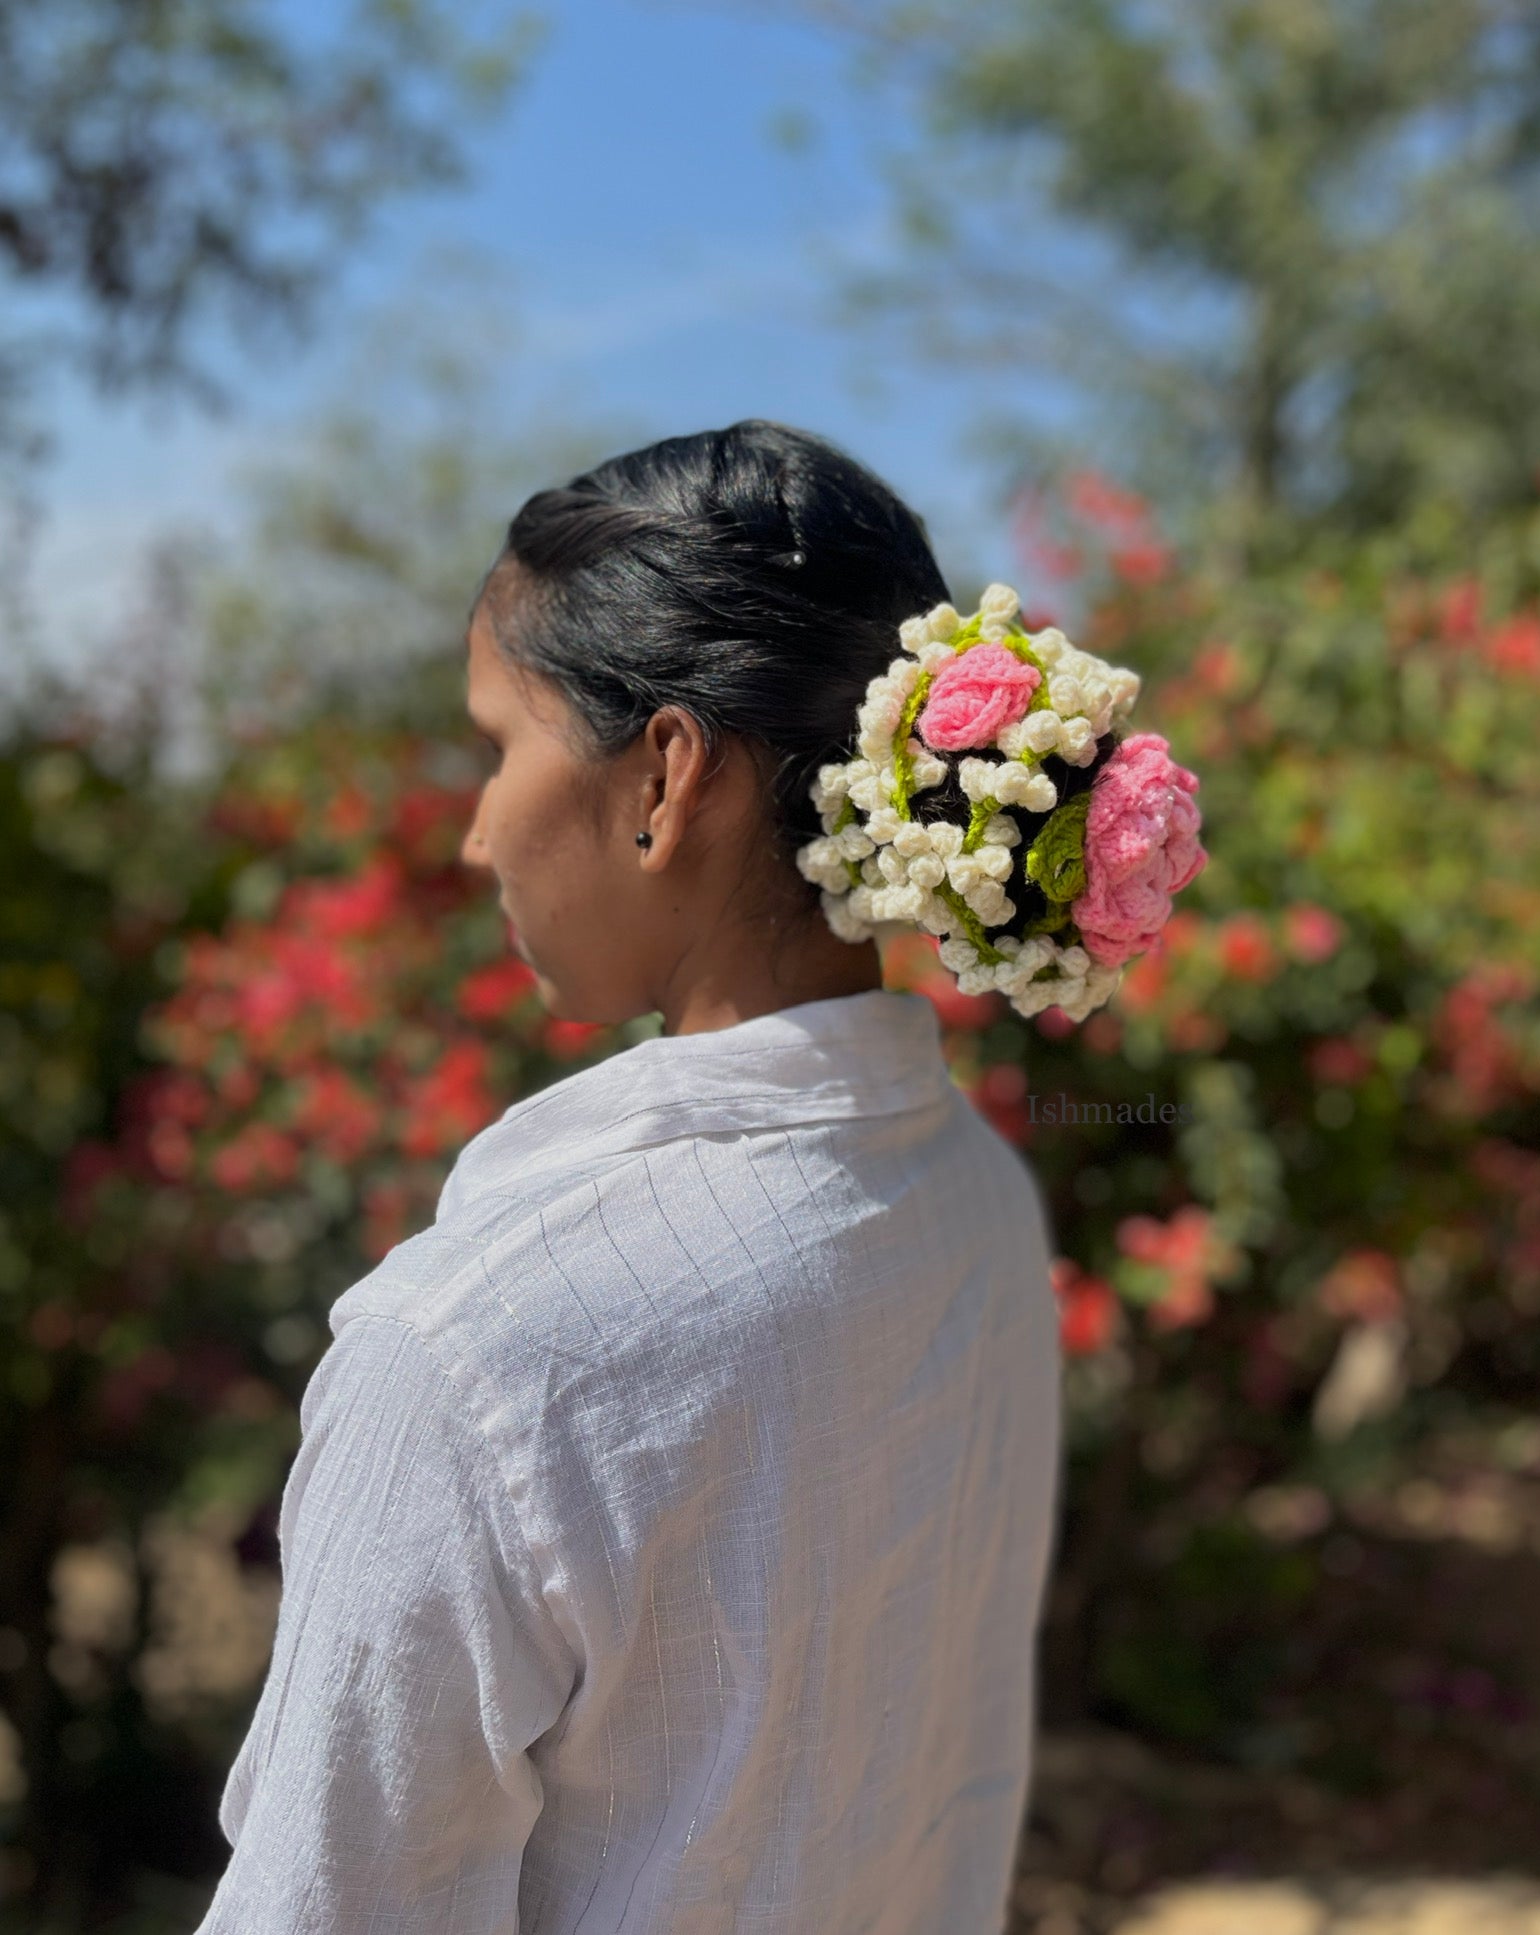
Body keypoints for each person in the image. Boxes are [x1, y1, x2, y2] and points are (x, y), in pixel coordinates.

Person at [194, 421, 1068, 1933]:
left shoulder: (478, 1352)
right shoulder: (974, 1200)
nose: (474, 833)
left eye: (496, 746)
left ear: (667, 774)